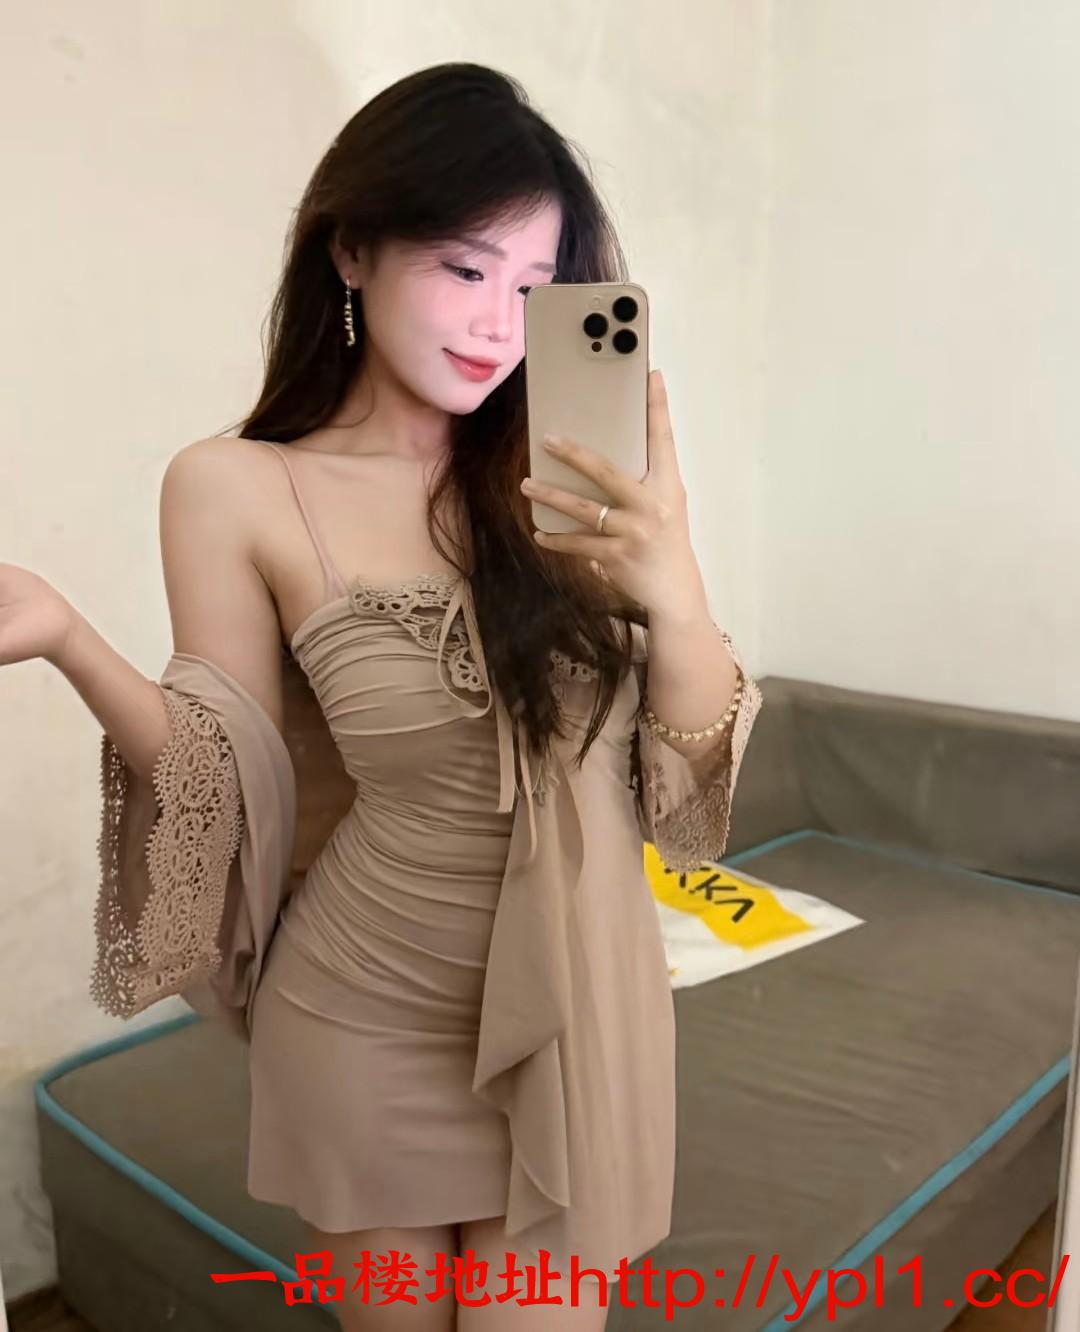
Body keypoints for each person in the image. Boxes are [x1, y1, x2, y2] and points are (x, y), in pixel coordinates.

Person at [0, 63, 761, 1331]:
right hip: (361, 1016)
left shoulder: (573, 480)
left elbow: (684, 810)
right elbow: (216, 772)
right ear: (351, 251)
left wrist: (673, 585)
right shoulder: (235, 487)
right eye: (465, 269)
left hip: (579, 1009)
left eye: (534, 288)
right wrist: (70, 639)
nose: (499, 325)